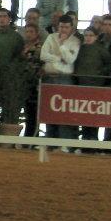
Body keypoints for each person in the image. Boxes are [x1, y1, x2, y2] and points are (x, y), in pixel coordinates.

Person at [40, 14, 80, 145]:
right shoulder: (51, 37)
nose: (63, 29)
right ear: (58, 26)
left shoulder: (75, 41)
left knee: (63, 111)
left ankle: (64, 143)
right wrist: (58, 58)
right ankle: (50, 141)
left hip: (65, 79)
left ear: (71, 28)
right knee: (49, 111)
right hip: (49, 77)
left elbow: (70, 60)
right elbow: (43, 55)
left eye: (66, 27)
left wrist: (62, 45)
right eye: (61, 26)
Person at [73, 26, 111, 147]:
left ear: (96, 37)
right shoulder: (80, 49)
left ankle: (93, 139)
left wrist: (100, 73)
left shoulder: (101, 49)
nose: (88, 38)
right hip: (81, 86)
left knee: (93, 114)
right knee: (83, 114)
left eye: (91, 35)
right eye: (86, 35)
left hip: (95, 86)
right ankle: (84, 138)